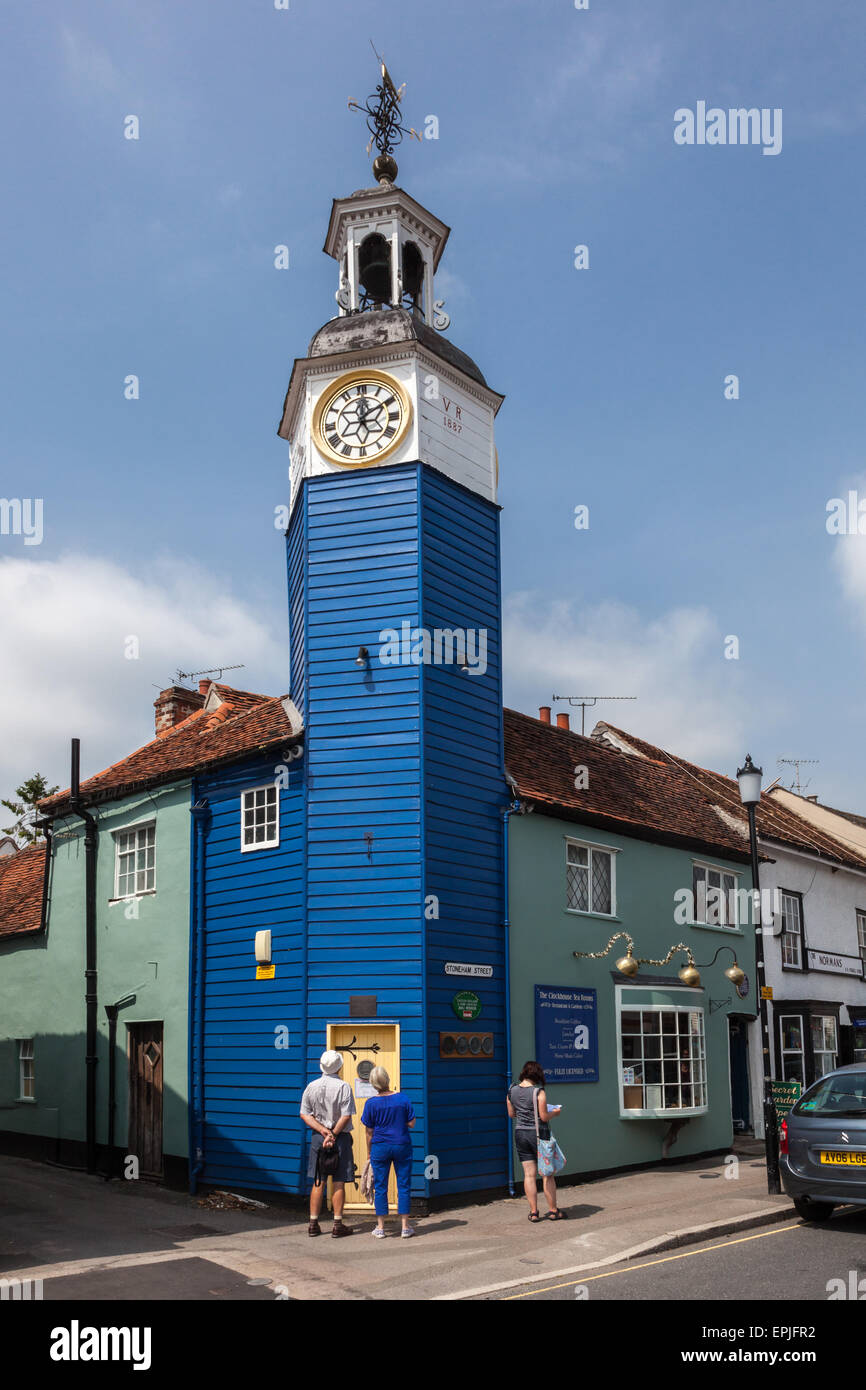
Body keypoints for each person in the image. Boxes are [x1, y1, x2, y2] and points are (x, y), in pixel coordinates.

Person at [299, 1050, 356, 1238]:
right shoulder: (344, 1087)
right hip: (340, 1138)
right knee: (339, 1181)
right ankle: (337, 1224)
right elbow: (346, 1114)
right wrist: (333, 1134)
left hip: (318, 1137)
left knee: (318, 1180)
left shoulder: (311, 1086)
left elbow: (305, 1114)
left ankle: (313, 1223)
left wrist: (323, 1131)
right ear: (339, 1066)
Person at [506, 1060, 566, 1222]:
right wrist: (555, 1112)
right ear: (537, 1075)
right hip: (539, 1135)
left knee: (529, 1175)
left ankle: (533, 1212)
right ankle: (553, 1211)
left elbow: (512, 1114)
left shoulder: (511, 1091)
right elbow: (544, 1116)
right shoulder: (538, 1092)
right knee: (547, 1174)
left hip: (520, 1134)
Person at [360, 1066, 416, 1238]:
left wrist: (369, 1152)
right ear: (387, 1079)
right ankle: (405, 1227)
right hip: (401, 1145)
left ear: (373, 1084)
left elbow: (369, 1132)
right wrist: (399, 1123)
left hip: (380, 1147)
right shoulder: (403, 1099)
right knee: (404, 1185)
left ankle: (381, 1227)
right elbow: (412, 1123)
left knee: (380, 1186)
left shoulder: (370, 1103)